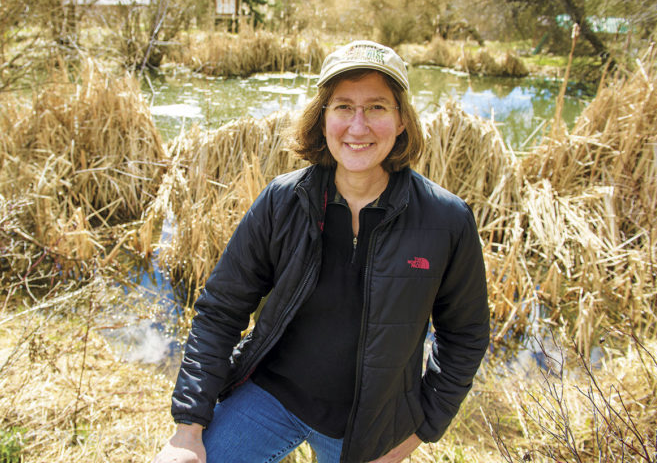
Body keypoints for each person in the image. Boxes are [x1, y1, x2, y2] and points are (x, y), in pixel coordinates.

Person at [153, 40, 490, 463]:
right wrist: (188, 429)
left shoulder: (446, 220)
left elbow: (465, 336)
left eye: (377, 108)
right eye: (343, 107)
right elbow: (221, 310)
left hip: (367, 427)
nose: (358, 126)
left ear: (402, 119)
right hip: (270, 396)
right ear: (323, 117)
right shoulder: (282, 200)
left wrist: (419, 432)